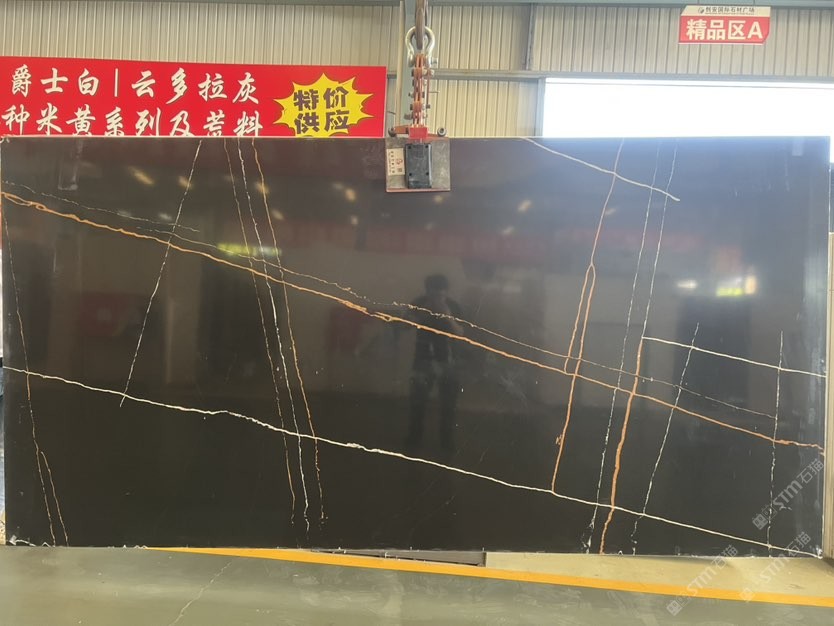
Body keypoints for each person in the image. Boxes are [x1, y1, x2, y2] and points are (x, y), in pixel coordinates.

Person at [405, 274, 464, 454]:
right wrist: (422, 314)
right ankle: (414, 439)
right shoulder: (419, 303)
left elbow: (461, 333)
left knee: (448, 405)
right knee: (418, 402)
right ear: (427, 292)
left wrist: (448, 316)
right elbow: (404, 325)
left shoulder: (453, 306)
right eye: (433, 295)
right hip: (423, 359)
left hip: (448, 361)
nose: (437, 299)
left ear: (446, 292)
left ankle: (447, 442)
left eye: (441, 295)